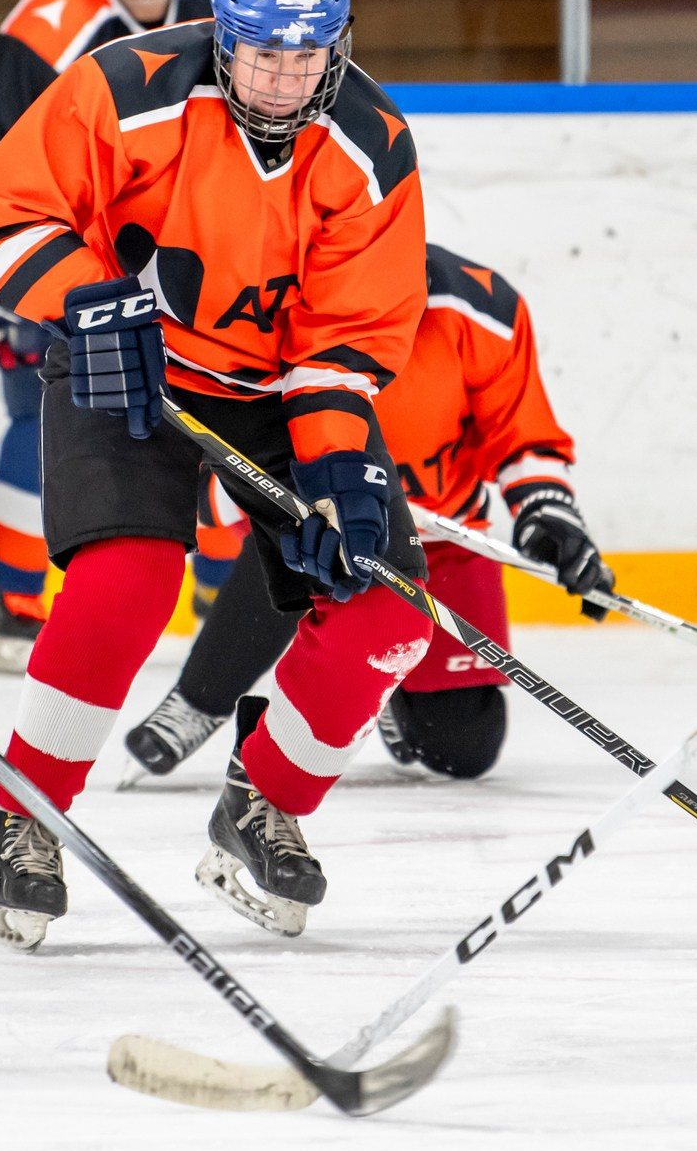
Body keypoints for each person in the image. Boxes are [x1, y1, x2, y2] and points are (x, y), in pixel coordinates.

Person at [0, 0, 431, 947]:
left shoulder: (371, 145)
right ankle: (24, 817)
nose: (281, 77)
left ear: (337, 46)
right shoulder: (123, 87)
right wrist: (87, 303)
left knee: (385, 605)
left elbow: (346, 338)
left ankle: (262, 800)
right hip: (127, 358)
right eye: (263, 52)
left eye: (305, 56)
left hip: (272, 386)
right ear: (223, 35)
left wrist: (340, 470)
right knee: (124, 579)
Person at [124, 244, 612, 783]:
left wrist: (550, 511)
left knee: (465, 748)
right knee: (295, 553)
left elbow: (523, 438)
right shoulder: (278, 304)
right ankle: (201, 699)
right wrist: (259, 499)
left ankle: (389, 692)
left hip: (441, 539)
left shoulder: (482, 309)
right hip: (321, 523)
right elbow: (226, 441)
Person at [0, 0, 223, 672]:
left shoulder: (231, 2)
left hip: (197, 260)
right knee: (43, 421)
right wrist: (18, 294)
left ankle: (223, 594)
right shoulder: (43, 27)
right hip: (73, 265)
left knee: (225, 418)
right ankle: (14, 608)